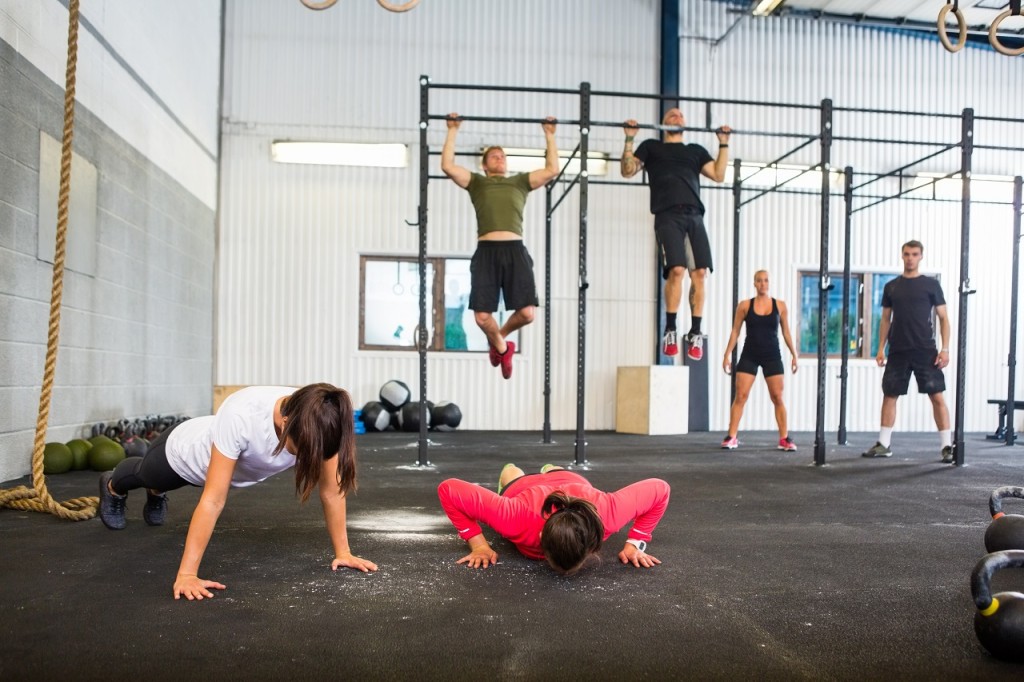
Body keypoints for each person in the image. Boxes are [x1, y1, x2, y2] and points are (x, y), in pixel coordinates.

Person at [97, 383, 378, 600]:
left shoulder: (320, 419)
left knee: (158, 487)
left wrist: (344, 552)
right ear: (284, 422)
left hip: (221, 471)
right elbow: (213, 500)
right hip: (182, 456)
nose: (309, 458)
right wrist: (187, 575)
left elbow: (331, 491)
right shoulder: (243, 413)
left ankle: (156, 493)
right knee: (144, 475)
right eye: (302, 451)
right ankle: (113, 486)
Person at [441, 113, 560, 379]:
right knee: (482, 317)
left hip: (515, 250)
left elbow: (552, 169)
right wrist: (452, 129)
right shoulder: (477, 183)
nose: (499, 158)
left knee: (528, 314)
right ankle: (503, 348)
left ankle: (499, 343)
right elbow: (448, 165)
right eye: (494, 156)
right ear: (484, 165)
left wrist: (550, 134)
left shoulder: (519, 182)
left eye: (503, 156)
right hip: (486, 253)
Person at [621, 108, 731, 361]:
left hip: (694, 215)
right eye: (671, 114)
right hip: (667, 215)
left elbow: (718, 174)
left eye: (681, 115)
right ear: (662, 123)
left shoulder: (694, 151)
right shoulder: (651, 148)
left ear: (686, 124)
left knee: (700, 273)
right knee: (677, 270)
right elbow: (627, 171)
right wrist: (629, 139)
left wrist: (723, 144)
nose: (677, 116)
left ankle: (695, 333)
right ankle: (670, 328)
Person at [437, 463, 670, 575]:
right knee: (512, 473)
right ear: (540, 536)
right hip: (523, 488)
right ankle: (516, 471)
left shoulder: (606, 514)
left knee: (556, 470)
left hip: (568, 479)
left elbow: (661, 489)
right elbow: (448, 489)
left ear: (592, 543)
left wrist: (636, 543)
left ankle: (551, 468)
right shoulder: (515, 517)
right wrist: (478, 545)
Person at [862, 240, 953, 463]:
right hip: (898, 351)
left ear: (921, 256)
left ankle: (947, 447)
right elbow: (885, 319)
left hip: (925, 350)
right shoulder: (891, 286)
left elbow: (944, 319)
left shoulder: (931, 286)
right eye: (906, 254)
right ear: (902, 256)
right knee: (890, 395)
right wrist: (880, 348)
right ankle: (884, 444)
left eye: (914, 254)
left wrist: (945, 349)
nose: (910, 258)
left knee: (937, 396)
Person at [720, 270, 799, 451]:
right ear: (754, 284)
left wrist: (794, 355)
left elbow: (786, 332)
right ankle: (731, 436)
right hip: (750, 354)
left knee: (777, 397)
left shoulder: (780, 306)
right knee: (740, 396)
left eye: (765, 281)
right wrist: (726, 355)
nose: (763, 284)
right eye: (759, 281)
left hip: (772, 355)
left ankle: (784, 438)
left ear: (769, 283)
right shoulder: (745, 306)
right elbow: (735, 331)